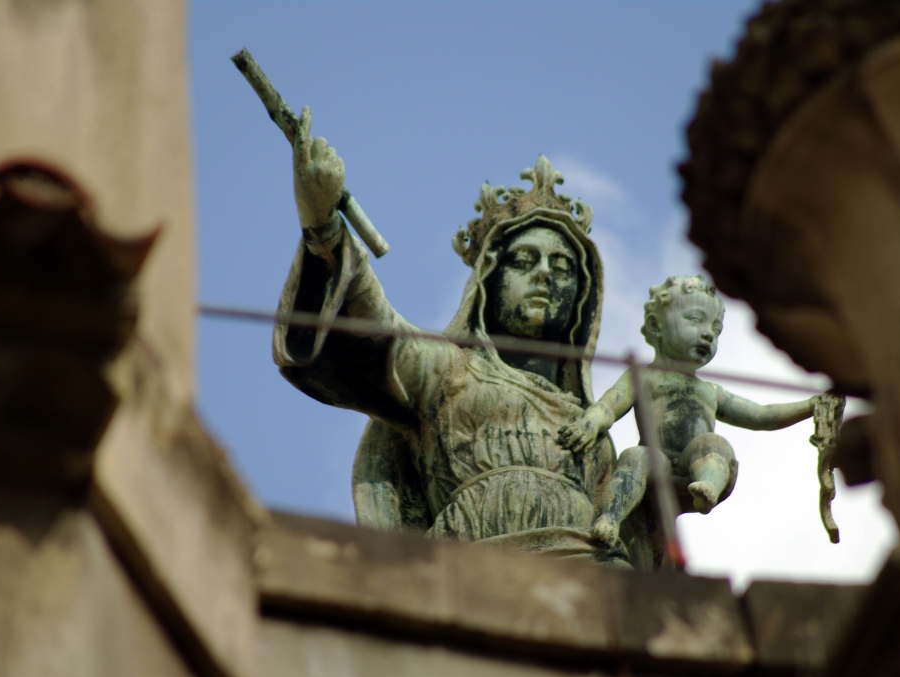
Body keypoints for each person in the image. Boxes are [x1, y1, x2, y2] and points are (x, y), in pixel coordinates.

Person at [272, 106, 626, 564]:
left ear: (582, 298)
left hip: (589, 574)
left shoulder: (594, 430)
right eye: (523, 261)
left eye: (561, 267)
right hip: (465, 573)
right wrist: (324, 228)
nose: (544, 274)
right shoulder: (448, 371)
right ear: (489, 280)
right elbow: (378, 328)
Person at [557, 275, 823, 548]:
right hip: (655, 460)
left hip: (693, 465)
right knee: (634, 456)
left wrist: (809, 406)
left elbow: (761, 415)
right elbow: (609, 405)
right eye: (695, 320)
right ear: (656, 325)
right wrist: (591, 422)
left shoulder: (710, 391)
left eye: (716, 330)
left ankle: (708, 486)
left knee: (714, 444)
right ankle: (610, 517)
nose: (708, 334)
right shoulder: (643, 377)